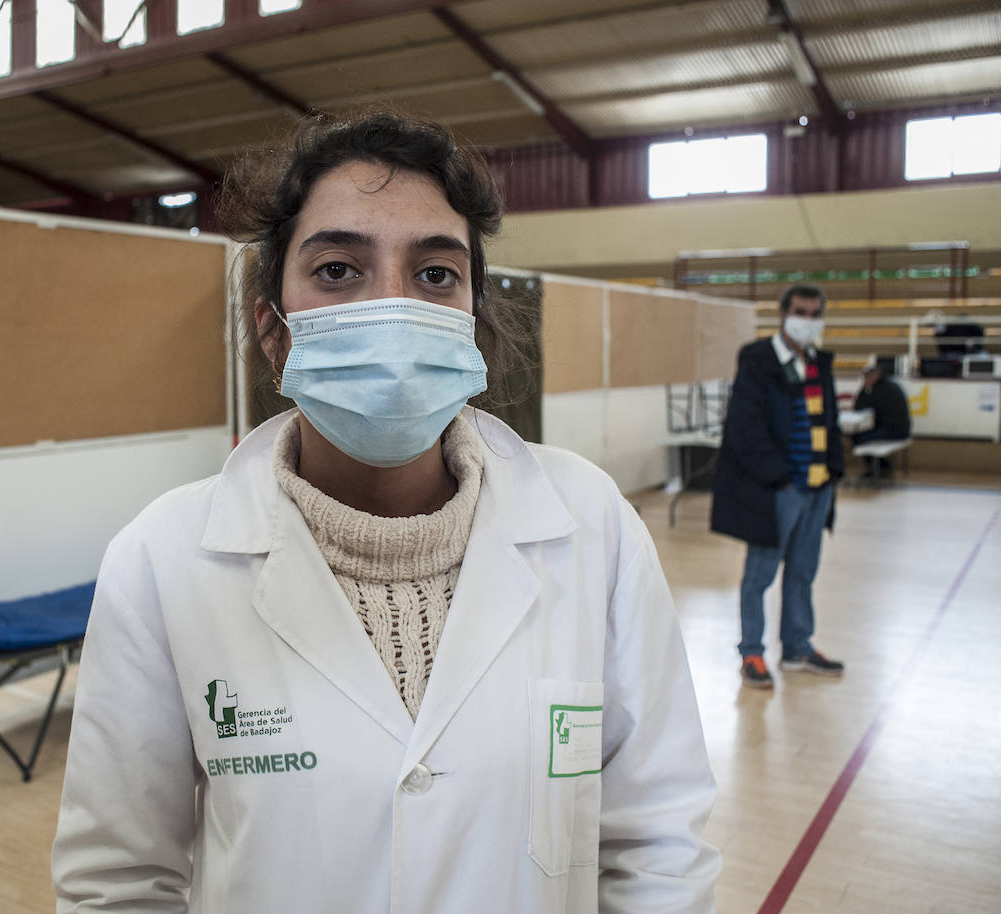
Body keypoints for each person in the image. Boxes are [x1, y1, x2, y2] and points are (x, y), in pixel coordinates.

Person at [51, 111, 720, 913]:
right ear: (274, 330)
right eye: (338, 270)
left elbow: (659, 843)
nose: (394, 308)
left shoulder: (592, 524)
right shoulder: (162, 562)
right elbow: (118, 882)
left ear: (472, 318)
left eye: (436, 274)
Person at [710, 283, 845, 690]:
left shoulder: (819, 362)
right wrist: (780, 479)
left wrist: (833, 473)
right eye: (800, 312)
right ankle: (752, 650)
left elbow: (830, 421)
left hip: (818, 489)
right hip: (780, 490)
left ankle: (798, 647)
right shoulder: (758, 359)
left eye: (814, 313)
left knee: (803, 571)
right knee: (760, 574)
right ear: (783, 314)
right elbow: (744, 427)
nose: (807, 320)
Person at [852, 361, 912, 476]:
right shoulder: (889, 385)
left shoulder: (880, 390)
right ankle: (880, 467)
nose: (865, 379)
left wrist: (863, 388)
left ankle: (880, 468)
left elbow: (858, 407)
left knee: (858, 437)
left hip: (895, 430)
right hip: (898, 428)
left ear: (875, 375)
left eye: (867, 376)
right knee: (860, 435)